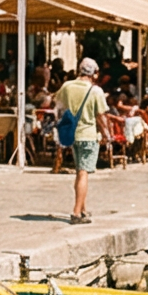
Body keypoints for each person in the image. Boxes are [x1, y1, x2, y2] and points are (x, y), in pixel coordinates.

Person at [54, 59, 108, 223]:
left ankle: (82, 208)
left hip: (72, 134)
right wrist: (106, 134)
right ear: (94, 73)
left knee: (79, 171)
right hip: (88, 135)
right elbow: (101, 116)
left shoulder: (67, 86)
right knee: (83, 173)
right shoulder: (96, 91)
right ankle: (76, 213)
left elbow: (59, 105)